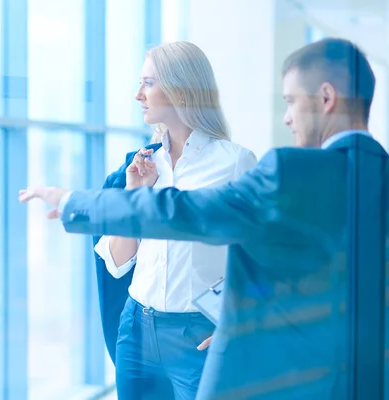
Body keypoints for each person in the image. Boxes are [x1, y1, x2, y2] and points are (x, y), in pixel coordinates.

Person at [19, 38, 388, 400]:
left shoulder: (283, 170)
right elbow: (296, 268)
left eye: (291, 101)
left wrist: (73, 202)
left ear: (326, 98)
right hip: (142, 326)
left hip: (217, 343)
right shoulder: (141, 163)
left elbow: (185, 213)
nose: (287, 117)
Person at [92, 41, 257, 400]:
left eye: (148, 83)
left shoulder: (235, 163)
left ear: (181, 88)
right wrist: (135, 196)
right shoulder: (140, 165)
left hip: (198, 336)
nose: (138, 94)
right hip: (135, 330)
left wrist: (239, 323)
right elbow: (118, 263)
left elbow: (260, 257)